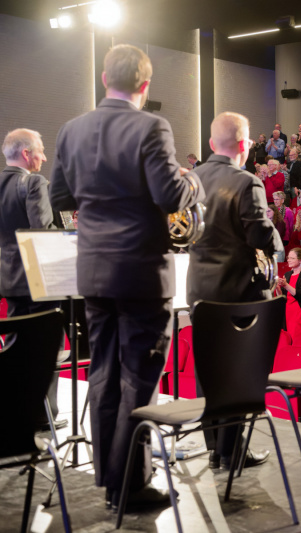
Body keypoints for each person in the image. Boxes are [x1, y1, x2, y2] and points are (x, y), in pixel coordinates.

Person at [49, 44, 204, 508]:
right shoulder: (151, 126)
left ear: (102, 78)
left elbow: (59, 195)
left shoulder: (71, 129)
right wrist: (192, 181)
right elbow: (171, 195)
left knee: (102, 372)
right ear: (146, 84)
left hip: (93, 271)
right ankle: (128, 484)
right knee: (138, 377)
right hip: (139, 271)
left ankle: (111, 480)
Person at [185, 111, 280, 472]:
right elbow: (260, 237)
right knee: (239, 373)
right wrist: (273, 233)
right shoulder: (246, 182)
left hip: (199, 291)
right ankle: (232, 450)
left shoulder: (192, 178)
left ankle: (217, 449)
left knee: (208, 372)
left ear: (211, 144)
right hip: (239, 293)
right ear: (245, 145)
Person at [0, 128, 66, 429]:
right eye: (39, 150)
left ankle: (16, 410)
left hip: (8, 281)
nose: (44, 156)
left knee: (15, 346)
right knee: (43, 346)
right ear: (26, 154)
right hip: (38, 281)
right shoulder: (35, 181)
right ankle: (43, 414)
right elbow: (43, 232)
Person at [276, 248, 301, 339]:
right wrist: (277, 288)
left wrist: (285, 285)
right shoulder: (287, 274)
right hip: (287, 313)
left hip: (299, 314)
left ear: (300, 260)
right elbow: (282, 297)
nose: (288, 260)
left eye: (292, 258)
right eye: (288, 257)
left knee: (300, 340)